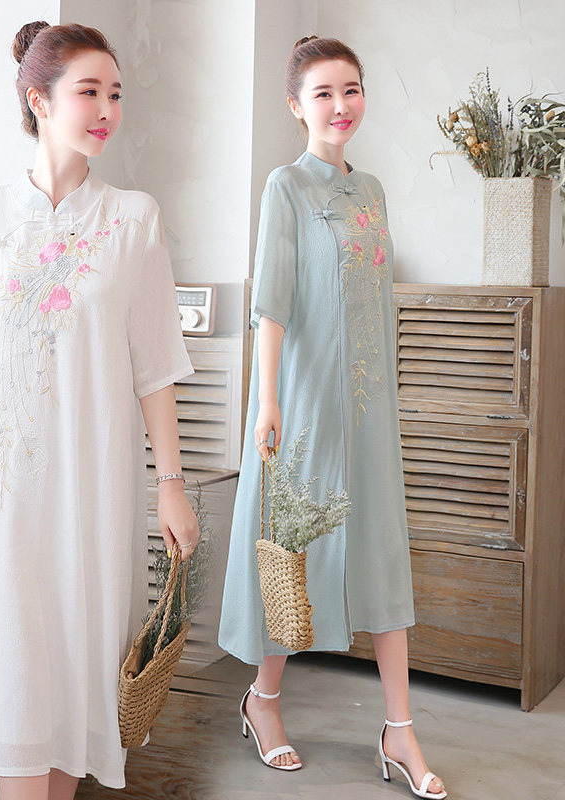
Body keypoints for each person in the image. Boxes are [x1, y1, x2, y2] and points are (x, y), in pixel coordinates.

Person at [0, 21, 199, 800]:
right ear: (39, 100)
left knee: (70, 683)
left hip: (93, 492)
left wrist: (172, 486)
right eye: (89, 91)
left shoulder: (133, 218)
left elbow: (156, 367)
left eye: (115, 93)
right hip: (7, 494)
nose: (107, 110)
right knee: (19, 672)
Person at [217, 36, 446, 798]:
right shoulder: (284, 187)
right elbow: (272, 302)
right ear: (296, 104)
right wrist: (269, 398)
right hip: (305, 403)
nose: (341, 105)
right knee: (294, 550)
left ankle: (399, 729)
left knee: (381, 548)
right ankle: (264, 699)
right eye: (323, 93)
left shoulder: (372, 191)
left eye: (351, 89)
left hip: (369, 410)